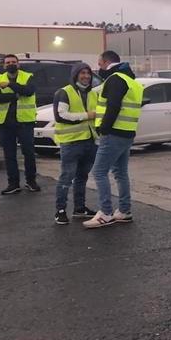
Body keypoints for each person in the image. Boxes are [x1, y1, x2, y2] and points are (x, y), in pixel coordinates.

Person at [84, 51, 143, 229]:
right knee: (120, 173)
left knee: (99, 172)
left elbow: (114, 105)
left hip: (113, 134)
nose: (98, 67)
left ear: (105, 61)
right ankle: (124, 211)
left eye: (99, 63)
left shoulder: (115, 79)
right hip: (127, 133)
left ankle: (106, 213)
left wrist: (104, 128)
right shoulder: (132, 81)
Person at [52, 63, 98, 225]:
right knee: (66, 177)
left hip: (89, 141)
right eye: (82, 73)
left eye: (88, 73)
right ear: (75, 75)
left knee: (82, 177)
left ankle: (79, 208)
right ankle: (60, 210)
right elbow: (61, 116)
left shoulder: (92, 93)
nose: (86, 76)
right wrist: (88, 115)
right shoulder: (64, 92)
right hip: (71, 143)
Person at [0, 55, 39, 195]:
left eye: (13, 62)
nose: (11, 64)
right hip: (5, 123)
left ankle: (31, 181)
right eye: (8, 62)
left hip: (25, 122)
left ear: (18, 64)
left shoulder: (28, 76)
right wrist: (15, 95)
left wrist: (10, 85)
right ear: (4, 65)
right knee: (9, 155)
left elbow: (29, 91)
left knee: (29, 153)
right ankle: (13, 184)